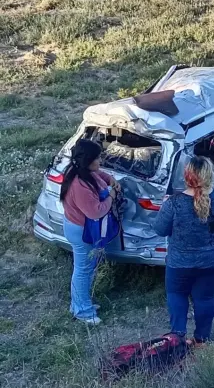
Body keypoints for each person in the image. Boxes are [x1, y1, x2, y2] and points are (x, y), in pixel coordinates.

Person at [154, 156, 214, 346]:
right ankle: (201, 340)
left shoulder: (174, 203)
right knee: (205, 297)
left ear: (187, 175)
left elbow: (160, 230)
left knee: (177, 294)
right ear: (210, 174)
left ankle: (177, 338)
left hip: (181, 262)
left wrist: (164, 207)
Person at [60, 139, 120, 325]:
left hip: (80, 228)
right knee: (83, 270)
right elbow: (95, 211)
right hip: (81, 231)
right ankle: (82, 311)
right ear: (88, 161)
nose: (100, 161)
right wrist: (110, 196)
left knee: (86, 268)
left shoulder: (82, 171)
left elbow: (98, 174)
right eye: (97, 158)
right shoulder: (79, 185)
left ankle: (80, 303)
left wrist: (110, 180)